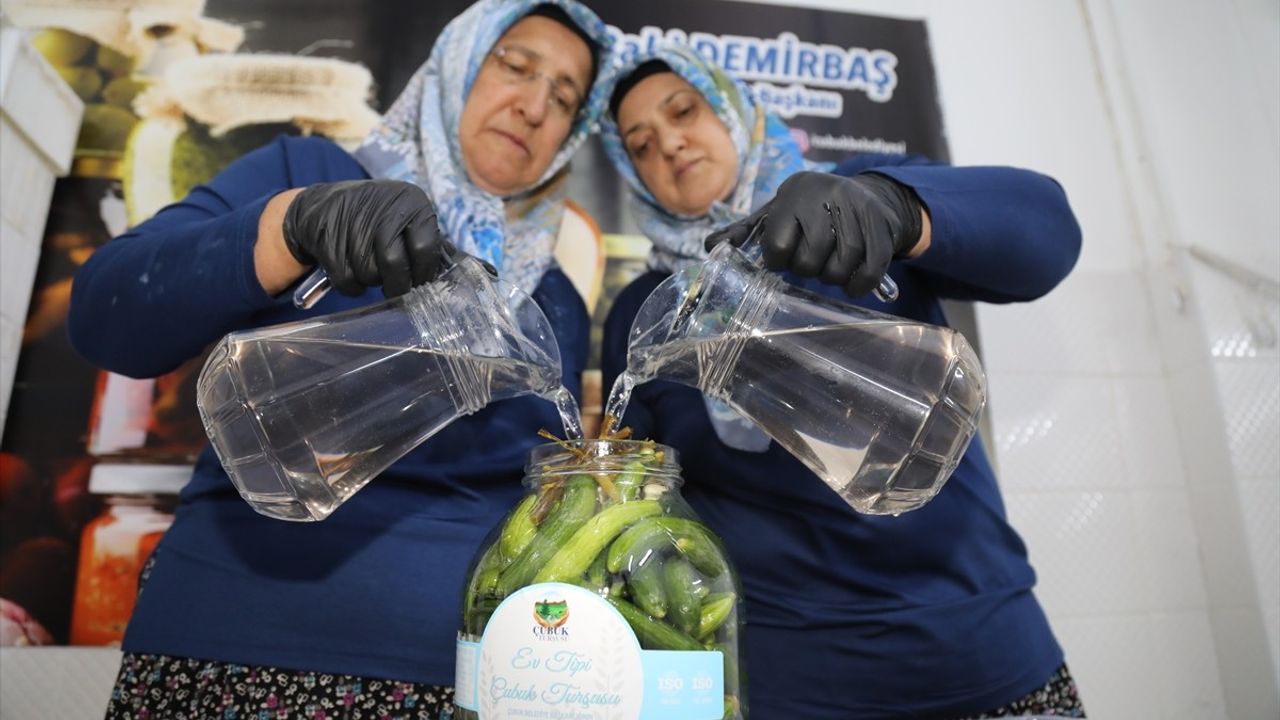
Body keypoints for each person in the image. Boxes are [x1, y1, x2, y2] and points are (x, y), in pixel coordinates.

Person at [67, 2, 613, 717]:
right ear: (454, 64)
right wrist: (293, 227)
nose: (536, 104)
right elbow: (108, 316)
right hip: (228, 646)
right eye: (514, 64)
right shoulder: (312, 171)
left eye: (566, 97)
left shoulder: (554, 301)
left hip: (459, 678)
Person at [599, 45, 1086, 719]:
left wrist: (893, 209)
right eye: (641, 145)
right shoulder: (645, 311)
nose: (670, 144)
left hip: (979, 647)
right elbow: (642, 506)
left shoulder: (845, 208)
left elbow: (1047, 235)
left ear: (737, 113)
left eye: (685, 111)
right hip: (793, 680)